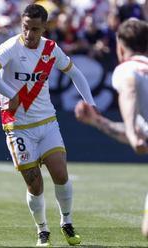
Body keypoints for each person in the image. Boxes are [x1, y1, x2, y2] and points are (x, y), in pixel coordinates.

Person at [0, 4, 97, 247]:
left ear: (44, 28)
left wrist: (90, 103)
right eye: (26, 28)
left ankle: (66, 222)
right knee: (34, 183)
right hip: (17, 124)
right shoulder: (10, 47)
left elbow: (76, 74)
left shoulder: (51, 48)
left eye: (35, 29)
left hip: (47, 121)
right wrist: (9, 93)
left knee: (60, 173)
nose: (29, 34)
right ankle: (42, 229)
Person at [74, 18, 148, 238]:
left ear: (121, 47)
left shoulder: (127, 69)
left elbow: (129, 91)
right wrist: (99, 122)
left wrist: (134, 135)